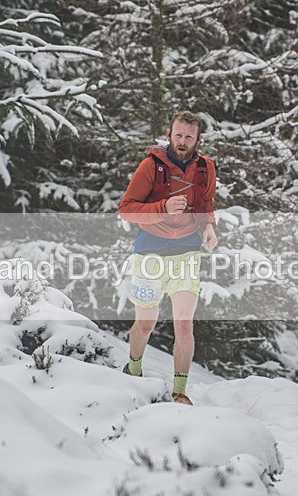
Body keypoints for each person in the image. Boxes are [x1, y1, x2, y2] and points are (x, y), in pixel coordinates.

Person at [118, 111, 219, 405]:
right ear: (168, 134)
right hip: (149, 252)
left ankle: (180, 392)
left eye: (189, 137)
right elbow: (126, 209)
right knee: (146, 323)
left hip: (187, 253)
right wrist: (163, 207)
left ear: (198, 139)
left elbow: (206, 204)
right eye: (178, 135)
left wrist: (209, 227)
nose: (182, 141)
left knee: (184, 324)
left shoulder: (206, 168)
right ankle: (133, 369)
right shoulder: (151, 165)